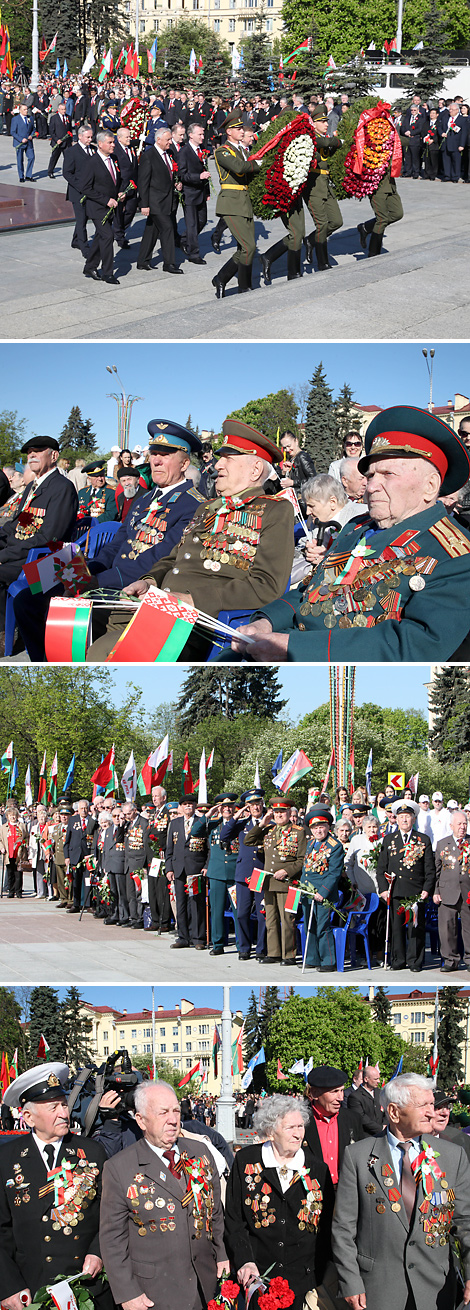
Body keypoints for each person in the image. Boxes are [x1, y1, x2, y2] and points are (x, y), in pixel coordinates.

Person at [230, 405, 470, 662]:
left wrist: (293, 647)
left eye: (388, 474)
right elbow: (311, 590)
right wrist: (265, 622)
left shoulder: (456, 555)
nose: (372, 486)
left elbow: (415, 646)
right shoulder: (358, 527)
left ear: (430, 487)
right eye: (370, 475)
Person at [90, 420, 294, 662]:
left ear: (255, 470)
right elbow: (173, 558)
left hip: (197, 623)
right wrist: (149, 581)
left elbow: (268, 585)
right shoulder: (207, 508)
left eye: (228, 458)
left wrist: (193, 599)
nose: (218, 464)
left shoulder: (274, 511)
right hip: (156, 604)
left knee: (103, 654)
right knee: (79, 625)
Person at [14, 420, 204, 663]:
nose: (156, 460)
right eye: (154, 453)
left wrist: (95, 581)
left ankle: (55, 663)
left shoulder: (194, 505)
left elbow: (159, 560)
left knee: (48, 607)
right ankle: (43, 662)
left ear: (185, 463)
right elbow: (117, 544)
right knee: (28, 594)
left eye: (165, 455)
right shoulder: (144, 499)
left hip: (132, 589)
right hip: (106, 577)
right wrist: (87, 568)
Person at [332, 1072, 470, 1310]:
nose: (432, 1111)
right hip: (378, 1289)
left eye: (432, 1104)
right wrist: (350, 1281)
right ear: (394, 1112)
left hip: (435, 1290)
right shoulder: (358, 1156)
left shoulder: (452, 1156)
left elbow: (465, 1221)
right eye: (424, 1105)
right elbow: (343, 1228)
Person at [99, 1080, 228, 1310]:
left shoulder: (200, 1151)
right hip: (155, 1293)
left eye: (176, 1110)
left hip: (205, 1285)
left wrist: (221, 1255)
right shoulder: (120, 1167)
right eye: (163, 1112)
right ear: (141, 1120)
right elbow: (112, 1240)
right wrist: (127, 1293)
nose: (173, 1119)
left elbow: (215, 1211)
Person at [0, 1062, 110, 1310]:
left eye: (63, 1104)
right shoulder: (7, 1159)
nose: (64, 1112)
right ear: (28, 1117)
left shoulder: (90, 1152)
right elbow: (1, 1229)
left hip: (86, 1283)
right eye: (54, 1107)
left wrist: (98, 1253)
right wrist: (8, 1286)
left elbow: (109, 1213)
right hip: (33, 1288)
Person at [224, 1094, 334, 1310]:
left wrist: (321, 1276)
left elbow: (327, 1225)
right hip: (257, 1278)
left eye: (301, 1126)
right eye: (290, 1127)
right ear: (271, 1131)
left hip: (304, 1282)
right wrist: (245, 1260)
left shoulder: (318, 1169)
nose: (298, 1134)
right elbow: (234, 1219)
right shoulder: (246, 1161)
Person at [0, 435, 77, 647]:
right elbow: (15, 525)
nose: (31, 454)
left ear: (54, 455)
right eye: (29, 452)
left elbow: (50, 538)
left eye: (38, 450)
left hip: (42, 560)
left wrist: (4, 555)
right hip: (21, 552)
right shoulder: (32, 486)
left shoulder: (62, 487)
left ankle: (4, 635)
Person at [244, 797, 307, 965]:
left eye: (283, 812)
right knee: (270, 919)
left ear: (289, 813)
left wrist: (287, 871)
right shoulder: (269, 829)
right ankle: (274, 952)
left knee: (287, 919)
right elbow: (248, 841)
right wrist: (262, 824)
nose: (279, 815)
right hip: (269, 882)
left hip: (289, 883)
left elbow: (302, 860)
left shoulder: (298, 831)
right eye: (276, 812)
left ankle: (289, 955)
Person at [376, 798, 435, 972]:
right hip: (395, 892)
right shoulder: (389, 840)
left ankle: (415, 961)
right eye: (401, 816)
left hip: (416, 892)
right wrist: (383, 890)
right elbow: (381, 868)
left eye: (408, 816)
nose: (404, 820)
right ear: (396, 818)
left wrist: (426, 890)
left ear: (414, 819)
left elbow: (430, 870)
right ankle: (398, 960)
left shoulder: (423, 840)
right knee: (396, 929)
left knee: (415, 929)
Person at [212, 109, 261, 297]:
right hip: (231, 203)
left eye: (242, 127)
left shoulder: (243, 150)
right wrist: (259, 163)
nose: (242, 131)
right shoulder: (222, 151)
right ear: (228, 132)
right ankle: (245, 286)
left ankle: (221, 278)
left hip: (244, 201)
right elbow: (240, 168)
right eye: (237, 128)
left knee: (245, 248)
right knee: (249, 247)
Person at [220, 788, 267, 962]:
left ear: (263, 804)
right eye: (252, 805)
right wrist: (236, 816)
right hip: (244, 873)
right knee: (242, 913)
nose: (256, 808)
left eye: (258, 804)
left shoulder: (269, 823)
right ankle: (245, 948)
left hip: (261, 872)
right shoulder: (243, 823)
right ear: (247, 806)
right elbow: (225, 835)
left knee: (262, 913)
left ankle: (262, 948)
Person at [191, 792, 239, 956]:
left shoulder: (239, 824)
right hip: (217, 874)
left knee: (238, 911)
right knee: (216, 910)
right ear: (219, 808)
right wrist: (208, 815)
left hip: (234, 874)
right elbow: (195, 832)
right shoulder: (213, 824)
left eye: (230, 807)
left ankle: (242, 945)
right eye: (224, 807)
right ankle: (218, 943)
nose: (227, 809)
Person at [300, 803, 344, 971]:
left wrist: (323, 892)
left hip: (323, 895)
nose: (319, 831)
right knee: (309, 926)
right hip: (308, 893)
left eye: (322, 827)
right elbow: (306, 869)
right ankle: (312, 958)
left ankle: (328, 961)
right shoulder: (311, 845)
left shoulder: (335, 846)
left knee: (322, 927)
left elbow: (334, 873)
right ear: (311, 829)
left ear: (328, 826)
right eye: (315, 827)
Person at [80, 129, 125, 285]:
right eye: (110, 142)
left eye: (113, 142)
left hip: (112, 206)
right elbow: (85, 188)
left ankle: (90, 266)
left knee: (101, 236)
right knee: (107, 236)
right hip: (97, 207)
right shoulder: (91, 163)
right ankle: (108, 272)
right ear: (100, 144)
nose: (113, 145)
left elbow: (116, 179)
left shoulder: (114, 158)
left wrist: (120, 192)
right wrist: (106, 200)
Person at [304, 1066, 364, 1183]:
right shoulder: (299, 1121)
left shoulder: (353, 1119)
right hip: (312, 1194)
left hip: (345, 1192)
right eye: (334, 1092)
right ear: (315, 1093)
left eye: (341, 1090)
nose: (341, 1098)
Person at [137, 125, 183, 275]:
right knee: (167, 228)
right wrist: (144, 204)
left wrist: (176, 182)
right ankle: (169, 263)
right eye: (168, 139)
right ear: (158, 139)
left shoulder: (168, 153)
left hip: (167, 199)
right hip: (155, 201)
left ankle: (143, 260)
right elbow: (143, 182)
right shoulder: (148, 156)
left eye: (170, 139)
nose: (170, 142)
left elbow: (170, 172)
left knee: (152, 229)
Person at [165, 792, 208, 950]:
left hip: (195, 869)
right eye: (185, 804)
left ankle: (198, 938)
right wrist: (169, 868)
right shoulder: (175, 824)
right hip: (179, 869)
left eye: (191, 804)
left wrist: (206, 866)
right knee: (181, 904)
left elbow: (207, 848)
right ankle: (183, 937)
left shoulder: (201, 822)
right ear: (180, 807)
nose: (188, 806)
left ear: (195, 806)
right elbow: (169, 848)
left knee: (196, 903)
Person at [303, 103, 342, 272]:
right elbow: (326, 142)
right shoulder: (310, 137)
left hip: (325, 185)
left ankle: (311, 240)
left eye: (326, 121)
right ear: (314, 123)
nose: (326, 124)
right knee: (322, 224)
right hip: (313, 187)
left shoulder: (324, 138)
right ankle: (322, 262)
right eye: (322, 121)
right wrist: (337, 141)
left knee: (336, 221)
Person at [434, 806, 470, 973]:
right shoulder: (442, 844)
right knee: (447, 928)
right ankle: (450, 960)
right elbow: (437, 871)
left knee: (468, 927)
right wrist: (435, 891)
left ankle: (469, 959)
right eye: (459, 824)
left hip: (467, 892)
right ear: (451, 825)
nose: (462, 827)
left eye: (465, 823)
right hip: (447, 891)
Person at [177, 120, 211, 265]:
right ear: (190, 135)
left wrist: (207, 191)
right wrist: (199, 177)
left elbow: (205, 170)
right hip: (189, 193)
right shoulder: (184, 152)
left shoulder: (201, 149)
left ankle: (184, 240)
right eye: (200, 134)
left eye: (203, 134)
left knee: (202, 221)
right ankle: (194, 254)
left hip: (201, 192)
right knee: (191, 224)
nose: (203, 137)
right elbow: (182, 175)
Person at [63, 124, 96, 257]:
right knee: (81, 219)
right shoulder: (72, 152)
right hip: (78, 192)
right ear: (80, 136)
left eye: (91, 137)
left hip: (90, 191)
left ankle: (75, 240)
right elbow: (67, 173)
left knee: (85, 217)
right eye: (87, 137)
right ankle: (84, 246)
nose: (90, 139)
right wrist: (81, 186)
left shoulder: (93, 149)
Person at [64, 798, 97, 914]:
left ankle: (88, 904)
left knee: (88, 880)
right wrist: (67, 856)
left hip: (88, 855)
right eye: (82, 808)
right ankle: (76, 903)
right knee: (76, 881)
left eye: (85, 808)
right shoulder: (73, 820)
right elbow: (67, 839)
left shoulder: (93, 820)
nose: (84, 810)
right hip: (75, 855)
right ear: (78, 809)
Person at [112, 125, 139, 248]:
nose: (129, 138)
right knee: (118, 213)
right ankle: (119, 236)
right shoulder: (115, 150)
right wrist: (120, 190)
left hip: (132, 186)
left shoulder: (131, 148)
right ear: (119, 138)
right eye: (127, 137)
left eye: (130, 136)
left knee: (131, 210)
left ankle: (120, 229)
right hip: (121, 187)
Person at [348, 1062, 386, 1136]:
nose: (378, 1081)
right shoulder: (355, 1096)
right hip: (366, 1137)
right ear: (366, 1079)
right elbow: (361, 1118)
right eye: (376, 1079)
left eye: (378, 1078)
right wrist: (380, 1128)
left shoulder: (380, 1093)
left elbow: (387, 1110)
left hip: (383, 1136)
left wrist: (385, 1125)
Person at [0, 803, 27, 899]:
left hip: (19, 854)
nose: (13, 817)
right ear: (7, 816)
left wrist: (24, 843)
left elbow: (26, 837)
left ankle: (18, 891)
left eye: (14, 815)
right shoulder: (3, 827)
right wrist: (1, 847)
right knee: (10, 873)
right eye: (11, 815)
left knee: (18, 873)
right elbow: (0, 840)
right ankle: (11, 891)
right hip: (9, 853)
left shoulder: (22, 826)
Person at [438, 100, 468, 182]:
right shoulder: (446, 117)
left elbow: (464, 133)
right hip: (446, 142)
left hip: (456, 143)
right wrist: (442, 133)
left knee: (456, 161)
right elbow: (439, 127)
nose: (450, 111)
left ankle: (455, 177)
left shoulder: (462, 119)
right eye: (450, 109)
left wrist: (462, 145)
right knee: (446, 160)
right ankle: (447, 176)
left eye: (452, 109)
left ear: (457, 110)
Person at [11, 101, 35, 181]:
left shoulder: (30, 118)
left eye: (27, 109)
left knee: (31, 157)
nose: (26, 111)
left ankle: (28, 175)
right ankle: (21, 176)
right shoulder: (15, 119)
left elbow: (33, 129)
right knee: (20, 160)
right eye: (24, 110)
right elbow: (13, 132)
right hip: (20, 143)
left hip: (29, 142)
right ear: (20, 110)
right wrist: (21, 139)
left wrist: (32, 135)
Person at [48, 100, 73, 176]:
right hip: (58, 142)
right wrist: (56, 139)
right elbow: (51, 131)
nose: (64, 111)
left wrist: (70, 140)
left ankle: (67, 171)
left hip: (66, 142)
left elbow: (70, 130)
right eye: (62, 109)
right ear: (58, 110)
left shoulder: (68, 117)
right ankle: (50, 171)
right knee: (54, 157)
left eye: (64, 109)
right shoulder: (54, 118)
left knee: (68, 158)